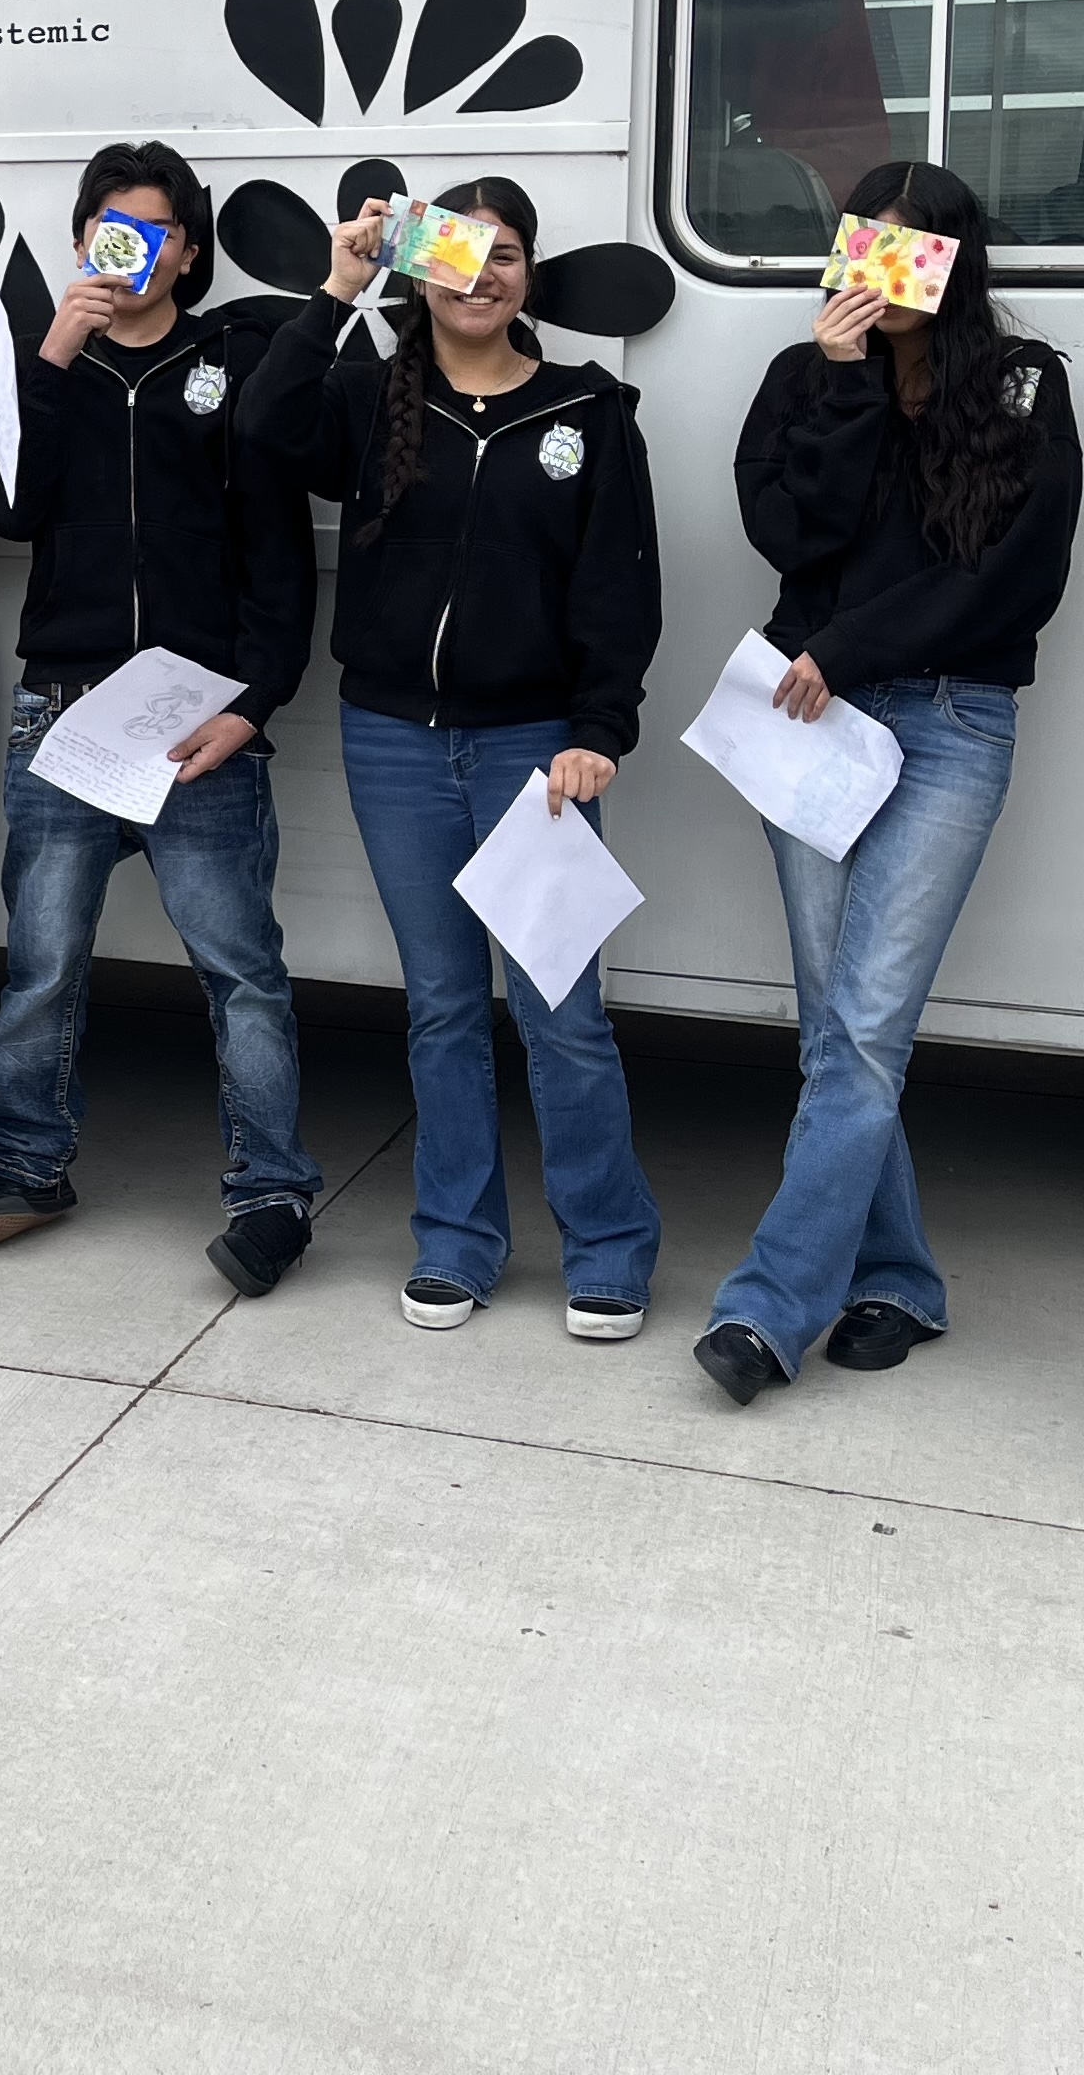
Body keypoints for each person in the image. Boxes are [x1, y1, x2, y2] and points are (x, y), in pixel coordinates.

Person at [247, 178, 666, 1338]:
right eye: (457, 254)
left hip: (536, 749)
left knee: (560, 1010)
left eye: (505, 256)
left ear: (531, 275)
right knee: (440, 1007)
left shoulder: (588, 409)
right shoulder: (365, 397)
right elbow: (262, 426)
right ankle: (457, 1240)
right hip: (393, 743)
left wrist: (598, 729)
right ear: (421, 269)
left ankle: (609, 1247)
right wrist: (342, 282)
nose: (481, 277)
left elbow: (620, 587)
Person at [695, 162, 1082, 1406]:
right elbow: (791, 538)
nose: (889, 268)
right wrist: (847, 383)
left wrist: (852, 645)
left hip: (952, 720)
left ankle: (768, 1307)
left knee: (862, 1027)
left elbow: (1015, 577)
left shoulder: (1024, 384)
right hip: (810, 725)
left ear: (959, 260)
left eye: (919, 248)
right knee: (840, 1030)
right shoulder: (802, 378)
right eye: (868, 242)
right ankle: (900, 1278)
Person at [0, 142, 322, 1294]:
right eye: (112, 230)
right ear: (82, 241)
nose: (133, 252)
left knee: (240, 968)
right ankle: (26, 1163)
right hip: (65, 712)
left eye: (156, 233)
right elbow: (6, 509)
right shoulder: (43, 362)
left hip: (197, 719)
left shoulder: (234, 359)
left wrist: (255, 704)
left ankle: (272, 1192)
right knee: (41, 961)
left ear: (189, 251)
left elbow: (279, 554)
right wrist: (52, 354)